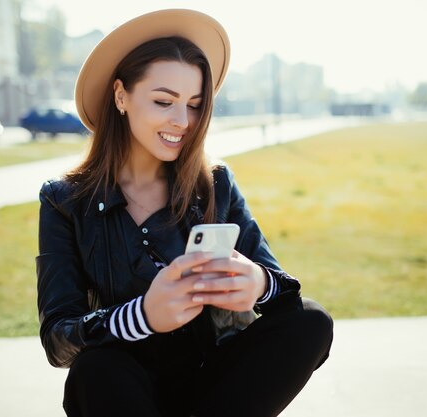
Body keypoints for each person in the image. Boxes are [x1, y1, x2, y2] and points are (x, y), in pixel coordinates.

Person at [36, 9, 333, 417]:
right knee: (96, 368)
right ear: (121, 96)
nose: (183, 121)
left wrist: (259, 284)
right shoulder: (63, 200)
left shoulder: (216, 185)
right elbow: (57, 340)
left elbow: (284, 299)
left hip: (213, 389)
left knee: (312, 321)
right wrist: (141, 316)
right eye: (164, 101)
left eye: (194, 105)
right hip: (120, 391)